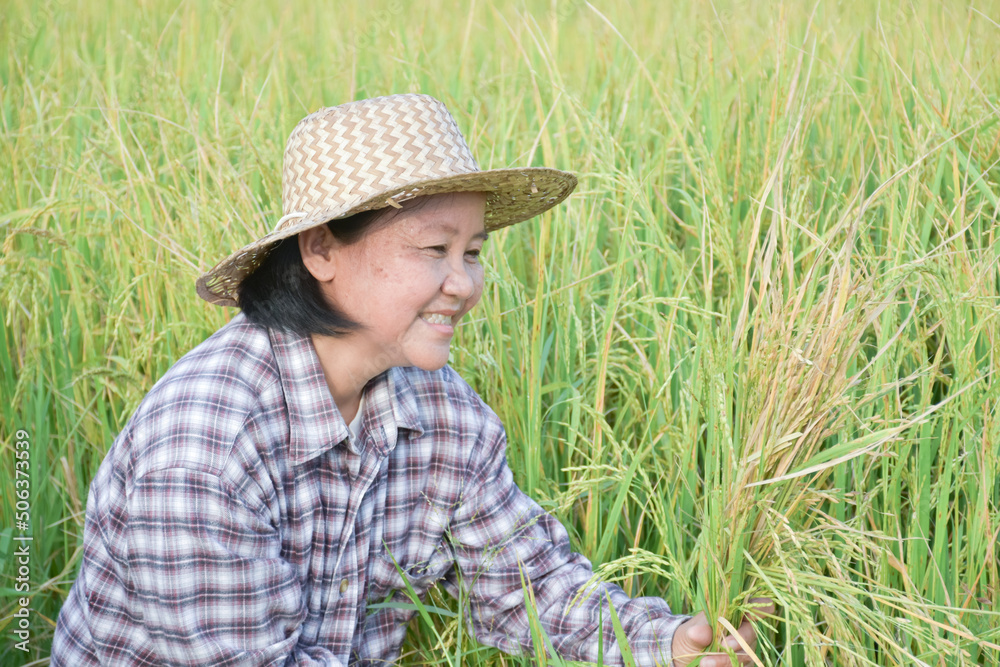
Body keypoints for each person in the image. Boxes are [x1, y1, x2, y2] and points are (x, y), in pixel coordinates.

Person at [52, 94, 771, 666]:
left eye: (474, 251)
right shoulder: (205, 446)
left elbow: (527, 585)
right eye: (434, 248)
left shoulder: (441, 410)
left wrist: (663, 644)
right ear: (321, 249)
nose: (463, 283)